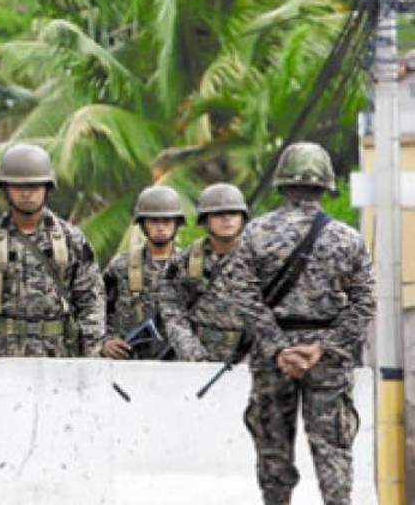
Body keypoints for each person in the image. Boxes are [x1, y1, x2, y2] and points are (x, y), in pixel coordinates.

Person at [224, 142, 374, 505]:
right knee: (333, 454)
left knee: (274, 456)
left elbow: (242, 296)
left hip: (273, 358)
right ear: (325, 185)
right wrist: (322, 347)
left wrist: (279, 347)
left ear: (282, 183)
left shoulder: (255, 234)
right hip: (326, 359)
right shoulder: (348, 238)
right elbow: (365, 301)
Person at [0, 143, 107, 357]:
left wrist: (91, 353)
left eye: (34, 186)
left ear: (46, 189)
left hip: (57, 355)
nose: (26, 193)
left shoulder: (71, 240)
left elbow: (91, 299)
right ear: (6, 190)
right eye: (18, 186)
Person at [156, 183, 250, 361]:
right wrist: (193, 354)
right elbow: (172, 312)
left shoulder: (260, 259)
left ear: (243, 218)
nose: (227, 219)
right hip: (197, 360)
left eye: (233, 213)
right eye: (218, 214)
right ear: (205, 220)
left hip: (249, 360)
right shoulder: (185, 262)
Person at [101, 186, 186, 360]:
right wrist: (105, 342)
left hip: (179, 367)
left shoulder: (191, 267)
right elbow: (96, 310)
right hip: (129, 362)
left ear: (177, 223)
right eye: (154, 221)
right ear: (143, 224)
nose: (161, 227)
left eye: (167, 221)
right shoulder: (121, 266)